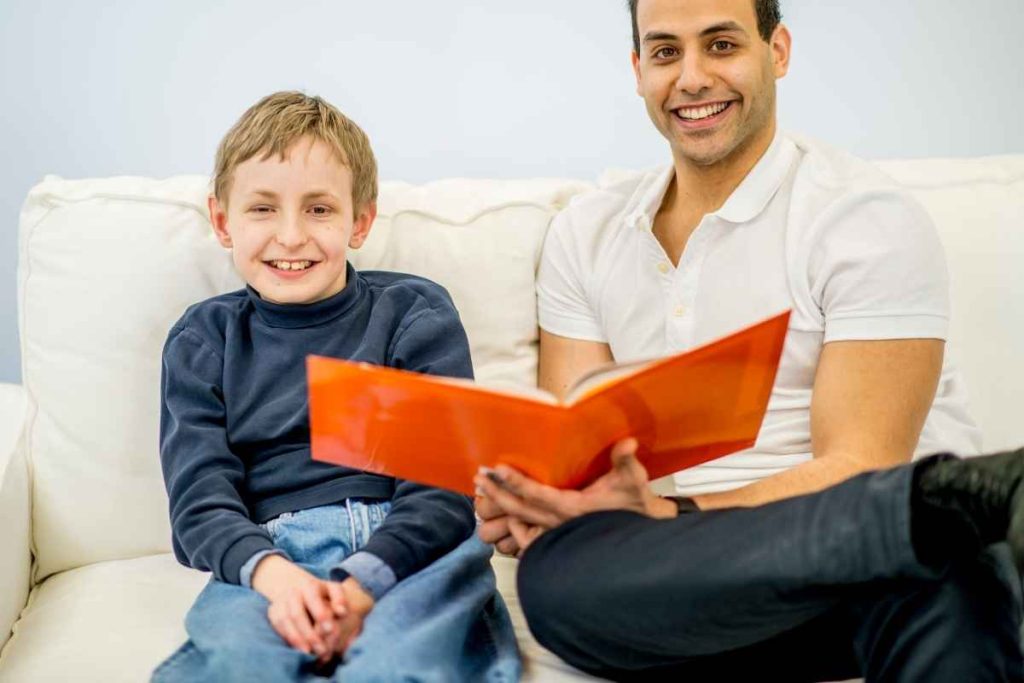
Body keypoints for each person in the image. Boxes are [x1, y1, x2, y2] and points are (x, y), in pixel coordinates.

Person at [474, 0, 1024, 680]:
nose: (693, 77)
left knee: (957, 580)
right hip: (670, 581)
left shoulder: (864, 218)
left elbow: (860, 464)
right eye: (666, 52)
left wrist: (672, 510)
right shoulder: (586, 234)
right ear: (639, 68)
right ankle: (946, 505)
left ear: (779, 51)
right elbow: (577, 460)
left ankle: (954, 510)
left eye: (722, 44)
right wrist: (536, 502)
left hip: (849, 577)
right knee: (557, 577)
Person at [153, 91, 519, 682]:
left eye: (319, 209)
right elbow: (199, 503)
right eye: (263, 209)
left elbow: (442, 483)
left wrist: (366, 579)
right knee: (239, 667)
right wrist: (275, 577)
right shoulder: (204, 339)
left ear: (361, 221)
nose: (292, 237)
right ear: (222, 221)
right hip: (270, 559)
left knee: (404, 664)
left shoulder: (411, 313)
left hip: (409, 547)